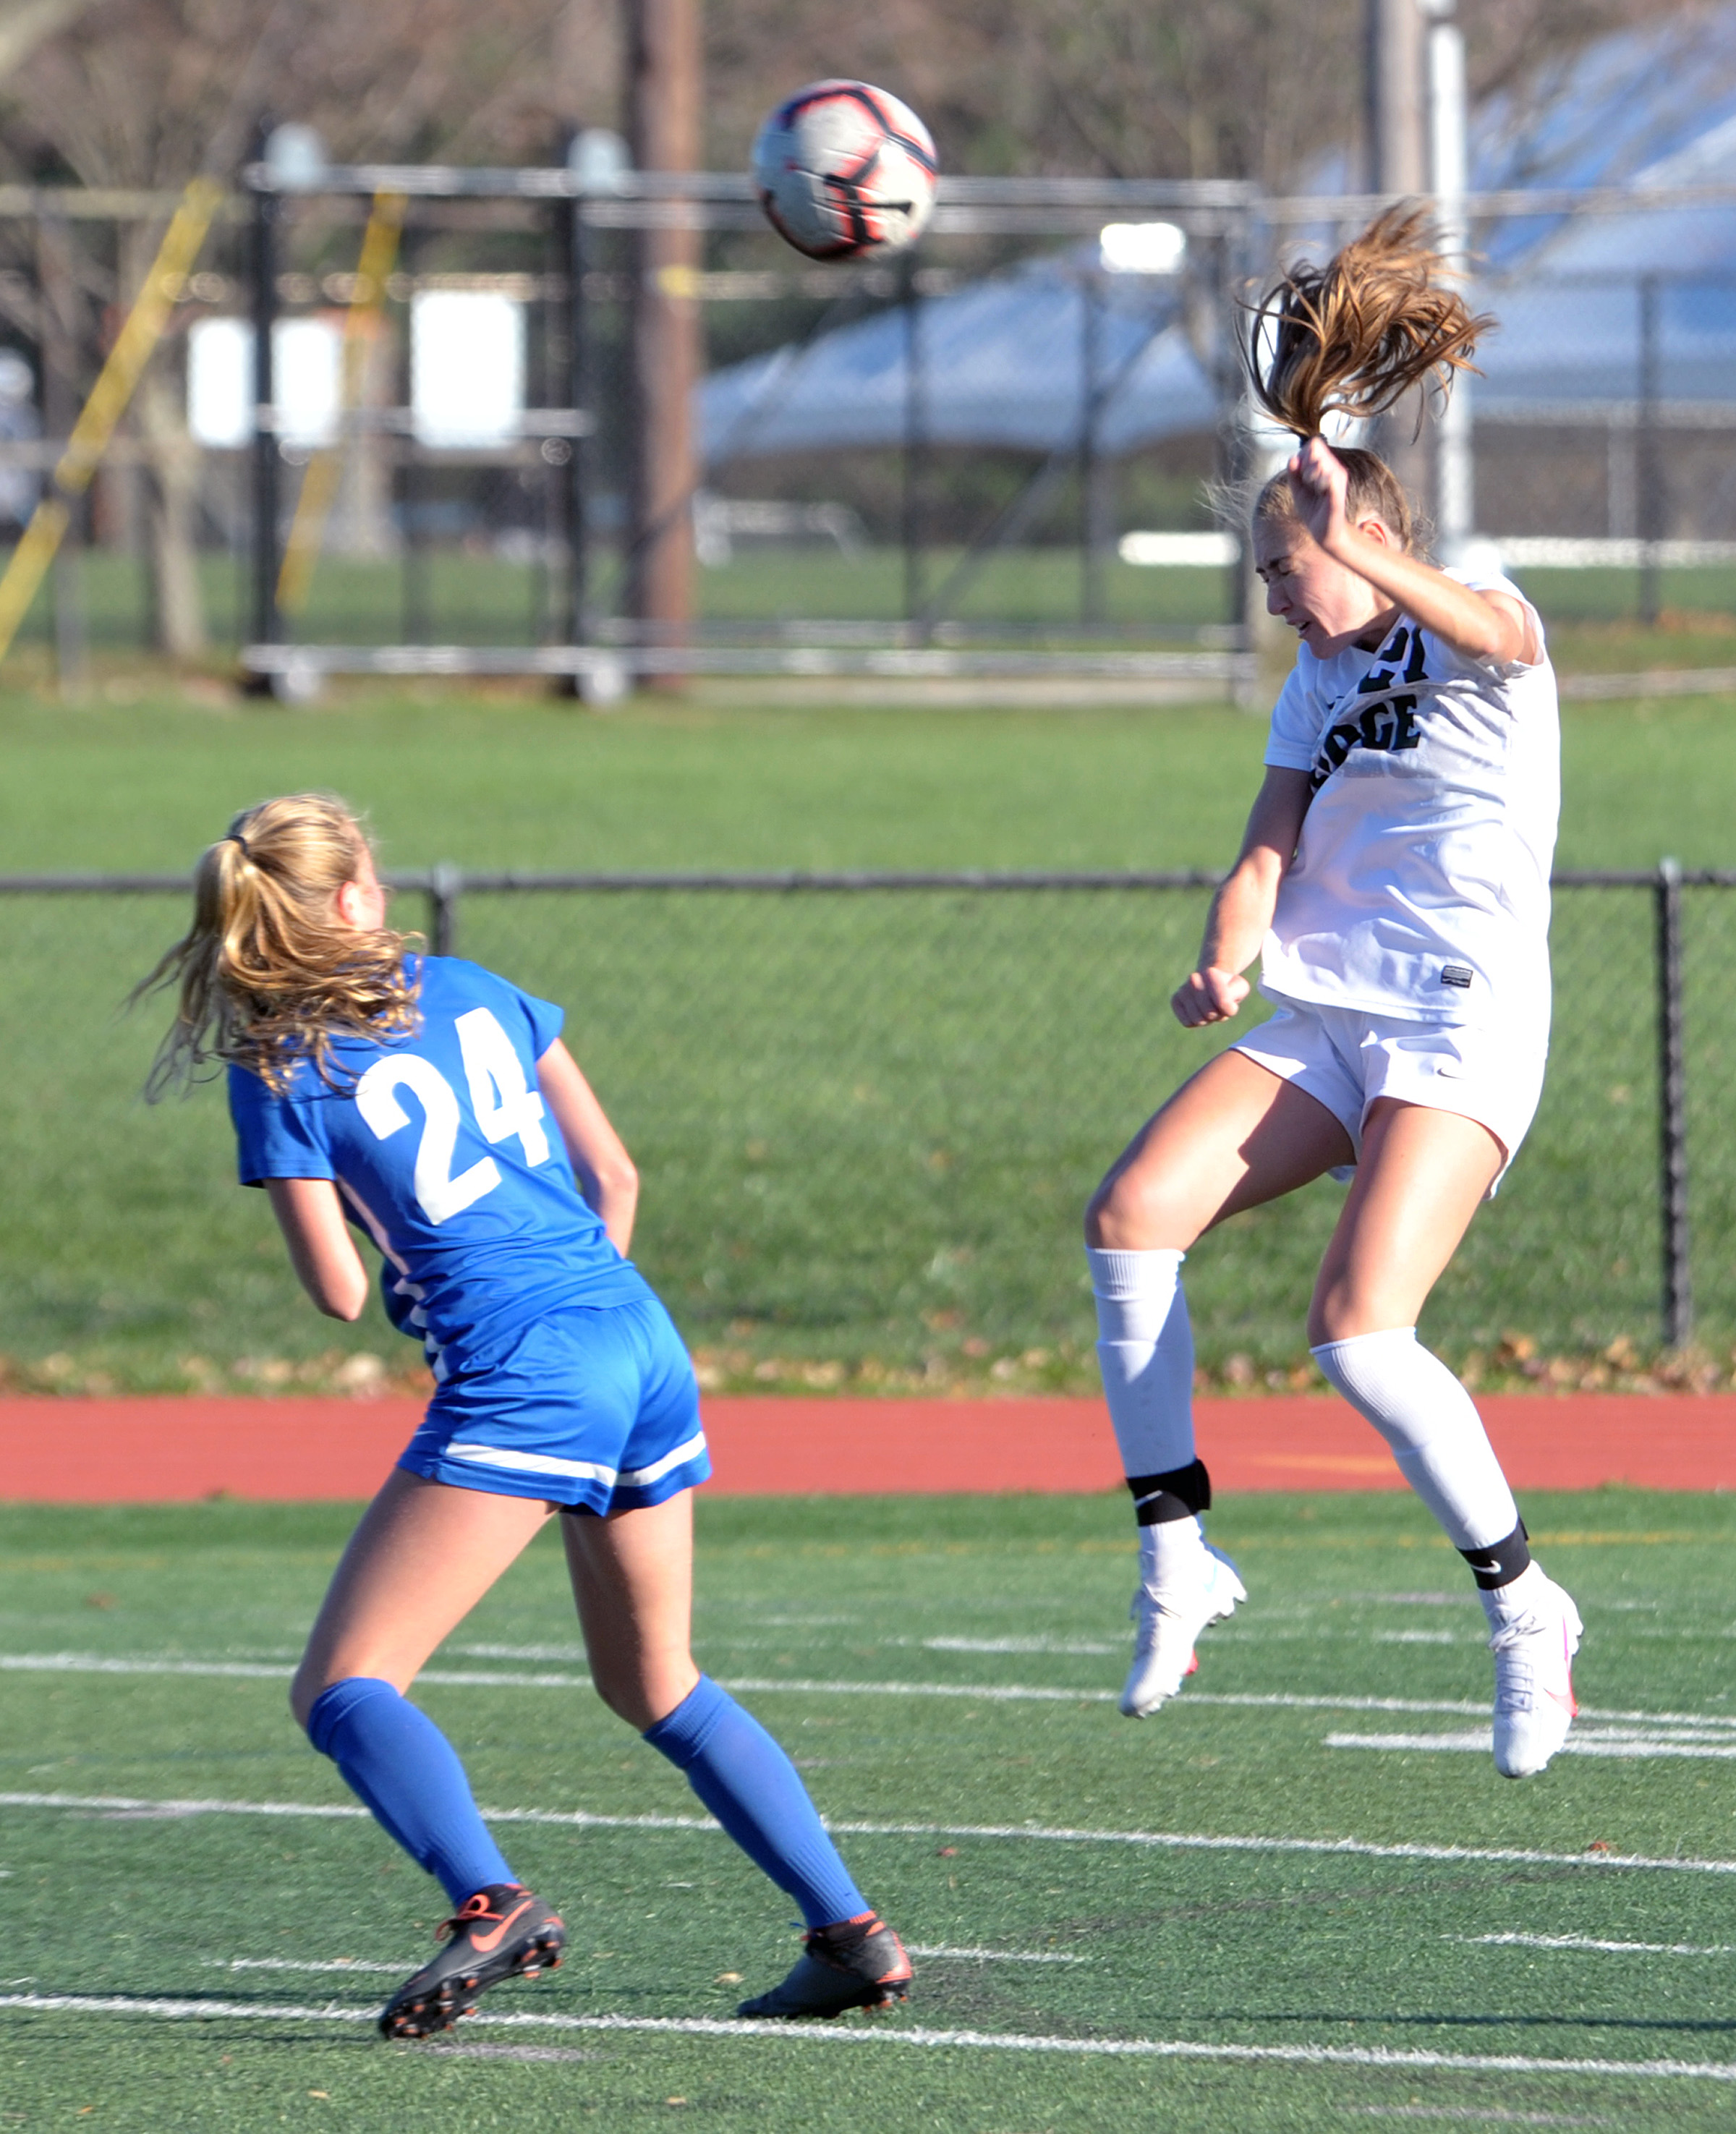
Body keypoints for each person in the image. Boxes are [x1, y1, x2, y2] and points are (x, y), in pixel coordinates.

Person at [140, 793, 912, 2038]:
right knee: (660, 1682)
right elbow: (617, 1173)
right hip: (638, 1334)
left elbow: (341, 1295)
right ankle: (851, 1933)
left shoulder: (279, 1066)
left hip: (524, 1369)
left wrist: (399, 1256)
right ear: (355, 899)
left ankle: (491, 1900)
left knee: (343, 1685)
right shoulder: (477, 983)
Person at [1083, 208, 1580, 1780]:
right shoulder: (1314, 679)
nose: (1273, 596)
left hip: (1461, 1015)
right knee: (1131, 1214)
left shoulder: (1482, 616)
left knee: (1362, 1330)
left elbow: (1487, 623)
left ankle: (1523, 1605)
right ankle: (1178, 1556)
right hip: (1335, 1010)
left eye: (1282, 567)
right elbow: (1266, 845)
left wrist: (1369, 548)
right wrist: (1229, 948)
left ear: (1353, 540)